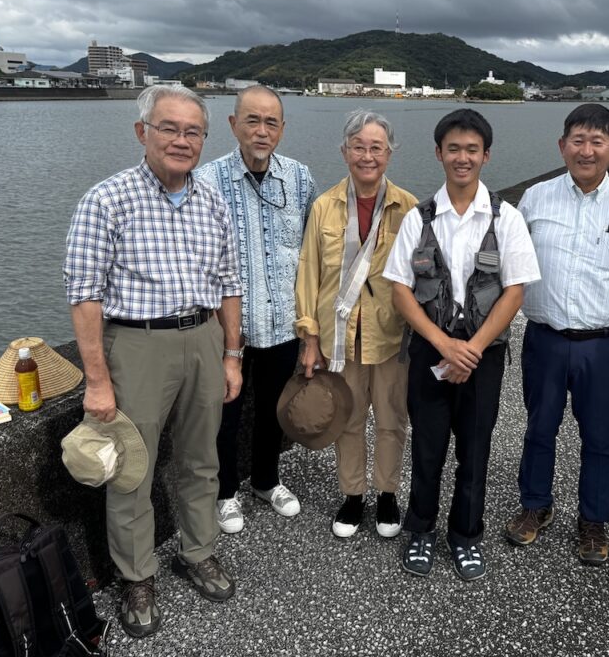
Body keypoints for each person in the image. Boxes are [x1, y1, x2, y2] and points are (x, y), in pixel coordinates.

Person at [63, 85, 243, 638]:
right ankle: (136, 576)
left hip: (203, 337)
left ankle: (199, 552)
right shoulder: (107, 199)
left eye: (193, 131)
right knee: (131, 473)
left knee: (201, 460)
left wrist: (232, 354)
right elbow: (84, 294)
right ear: (143, 132)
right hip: (136, 346)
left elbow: (229, 282)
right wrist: (97, 380)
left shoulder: (211, 199)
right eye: (169, 128)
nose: (182, 141)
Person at [384, 108, 540, 581]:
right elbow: (399, 289)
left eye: (472, 149)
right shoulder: (420, 217)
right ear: (438, 154)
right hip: (431, 351)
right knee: (428, 447)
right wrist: (442, 345)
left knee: (475, 449)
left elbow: (516, 290)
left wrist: (470, 349)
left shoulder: (505, 217)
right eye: (453, 148)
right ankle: (422, 530)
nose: (462, 157)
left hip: (483, 355)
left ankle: (466, 534)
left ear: (486, 156)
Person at [507, 103, 609, 565]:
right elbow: (514, 263)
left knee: (600, 437)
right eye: (578, 140)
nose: (586, 150)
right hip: (545, 339)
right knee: (539, 428)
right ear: (562, 145)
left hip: (605, 345)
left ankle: (594, 521)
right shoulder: (535, 198)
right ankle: (535, 506)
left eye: (597, 142)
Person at [196, 85, 315, 533]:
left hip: (283, 323)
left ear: (282, 129)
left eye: (271, 122)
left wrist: (310, 331)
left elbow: (311, 254)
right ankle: (226, 492)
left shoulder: (300, 178)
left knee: (273, 410)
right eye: (252, 120)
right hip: (230, 329)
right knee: (224, 413)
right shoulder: (206, 182)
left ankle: (267, 480)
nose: (261, 131)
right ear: (233, 125)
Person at [294, 109, 417, 539]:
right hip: (337, 338)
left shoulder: (409, 207)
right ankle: (352, 494)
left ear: (389, 153)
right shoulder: (325, 206)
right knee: (346, 419)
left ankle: (386, 492)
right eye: (359, 147)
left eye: (376, 148)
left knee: (390, 417)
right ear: (345, 152)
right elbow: (309, 273)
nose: (367, 156)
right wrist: (309, 336)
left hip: (390, 335)